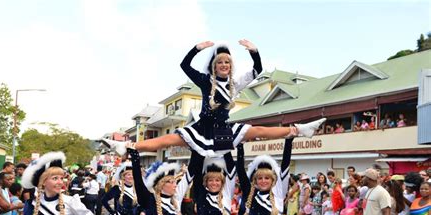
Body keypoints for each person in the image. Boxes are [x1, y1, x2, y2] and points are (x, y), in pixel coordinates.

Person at [100, 40, 326, 158]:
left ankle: (299, 130)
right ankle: (127, 146)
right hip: (201, 128)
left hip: (222, 130)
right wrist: (196, 48)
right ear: (214, 65)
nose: (224, 65)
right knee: (167, 140)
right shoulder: (205, 81)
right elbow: (184, 65)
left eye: (227, 63)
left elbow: (258, 70)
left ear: (231, 66)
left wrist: (254, 51)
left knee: (257, 131)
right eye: (220, 62)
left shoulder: (235, 84)